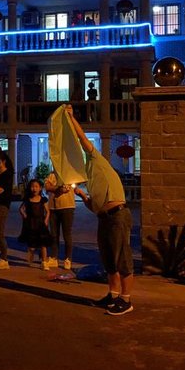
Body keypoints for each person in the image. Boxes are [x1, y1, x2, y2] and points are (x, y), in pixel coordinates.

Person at [64, 105, 134, 316]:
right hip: (104, 218)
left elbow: (83, 140)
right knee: (108, 258)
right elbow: (94, 206)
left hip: (118, 215)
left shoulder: (97, 160)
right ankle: (112, 294)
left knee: (122, 258)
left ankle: (126, 299)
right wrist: (82, 196)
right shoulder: (91, 181)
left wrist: (71, 119)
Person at [43, 169, 76, 270]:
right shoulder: (52, 175)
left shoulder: (70, 174)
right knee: (54, 234)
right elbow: (47, 187)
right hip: (53, 208)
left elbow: (67, 188)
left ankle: (68, 259)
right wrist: (57, 189)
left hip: (67, 207)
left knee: (67, 234)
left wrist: (55, 188)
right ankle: (54, 257)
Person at [18, 179, 51, 270]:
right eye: (32, 186)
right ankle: (31, 256)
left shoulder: (43, 200)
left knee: (43, 244)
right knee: (32, 245)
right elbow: (21, 209)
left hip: (41, 223)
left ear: (40, 188)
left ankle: (44, 262)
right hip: (31, 224)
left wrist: (46, 220)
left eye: (36, 186)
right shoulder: (28, 200)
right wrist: (24, 216)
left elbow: (48, 211)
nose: (34, 189)